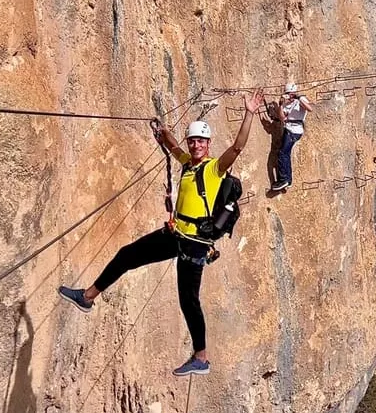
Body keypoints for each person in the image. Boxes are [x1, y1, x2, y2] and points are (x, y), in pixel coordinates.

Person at [58, 89, 265, 377]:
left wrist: (249, 114)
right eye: (192, 140)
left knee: (188, 300)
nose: (195, 145)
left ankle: (201, 357)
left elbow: (238, 147)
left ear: (208, 144)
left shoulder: (214, 169)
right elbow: (175, 148)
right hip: (176, 234)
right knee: (127, 255)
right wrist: (163, 131)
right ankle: (88, 297)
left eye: (200, 141)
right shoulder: (187, 165)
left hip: (195, 243)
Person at [271, 83, 312, 191]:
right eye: (287, 94)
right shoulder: (286, 104)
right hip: (288, 129)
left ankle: (283, 179)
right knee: (286, 154)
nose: (289, 96)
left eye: (290, 94)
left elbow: (309, 108)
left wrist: (298, 97)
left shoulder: (301, 100)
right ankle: (288, 180)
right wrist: (280, 105)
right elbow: (282, 118)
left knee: (282, 153)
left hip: (295, 130)